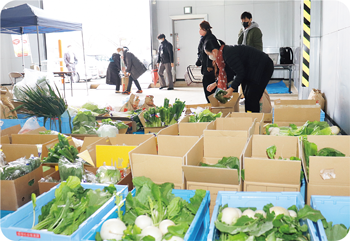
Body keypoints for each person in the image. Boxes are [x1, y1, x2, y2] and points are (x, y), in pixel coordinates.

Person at [205, 39, 273, 113]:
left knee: (252, 97)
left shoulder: (228, 54)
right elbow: (230, 73)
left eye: (208, 54)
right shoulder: (223, 54)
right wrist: (215, 83)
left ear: (214, 51)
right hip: (250, 70)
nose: (209, 57)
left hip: (263, 67)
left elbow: (240, 73)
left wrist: (231, 89)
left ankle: (254, 120)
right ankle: (250, 116)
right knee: (247, 95)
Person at [196, 21, 217, 103]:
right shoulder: (203, 38)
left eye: (201, 29)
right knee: (206, 85)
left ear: (205, 29)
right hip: (204, 66)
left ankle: (212, 103)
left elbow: (211, 54)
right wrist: (198, 61)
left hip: (209, 68)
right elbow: (200, 52)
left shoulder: (210, 38)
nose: (199, 31)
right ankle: (210, 103)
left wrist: (209, 66)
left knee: (209, 86)